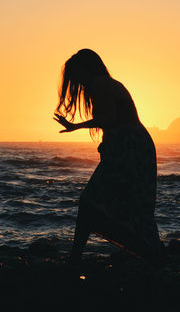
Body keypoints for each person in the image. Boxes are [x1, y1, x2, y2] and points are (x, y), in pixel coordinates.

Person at [54, 49, 162, 264]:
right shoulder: (109, 83)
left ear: (86, 69)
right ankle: (154, 254)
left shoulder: (99, 84)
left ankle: (76, 259)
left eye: (77, 74)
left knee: (89, 204)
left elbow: (110, 118)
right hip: (136, 145)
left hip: (127, 147)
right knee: (135, 206)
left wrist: (76, 126)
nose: (77, 81)